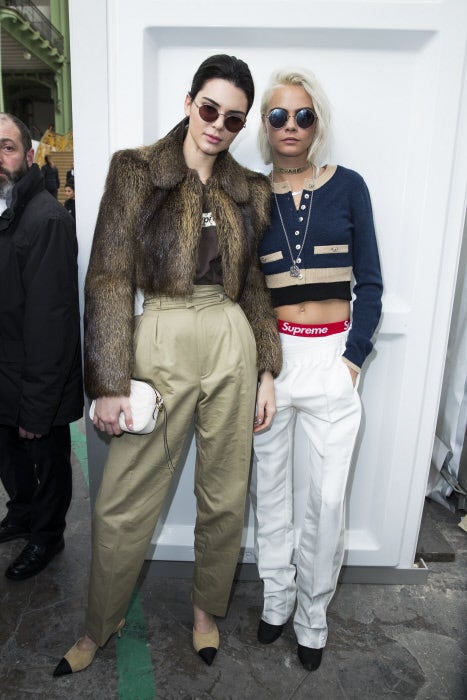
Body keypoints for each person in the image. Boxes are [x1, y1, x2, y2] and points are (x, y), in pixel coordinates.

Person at [54, 54, 281, 677]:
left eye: (233, 119)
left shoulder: (250, 190)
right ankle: (100, 623)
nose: (217, 126)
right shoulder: (136, 171)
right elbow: (106, 276)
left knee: (226, 491)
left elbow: (257, 285)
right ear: (188, 102)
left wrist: (265, 369)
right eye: (209, 109)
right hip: (159, 334)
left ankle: (207, 612)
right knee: (122, 498)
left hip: (231, 335)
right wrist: (106, 382)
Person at [251, 68, 383, 672]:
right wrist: (262, 369)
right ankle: (276, 601)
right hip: (275, 362)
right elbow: (247, 292)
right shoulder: (250, 195)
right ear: (265, 124)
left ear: (317, 123)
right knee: (271, 490)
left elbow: (371, 283)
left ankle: (313, 613)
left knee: (327, 501)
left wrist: (352, 361)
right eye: (279, 115)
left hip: (332, 360)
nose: (291, 126)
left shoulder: (349, 186)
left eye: (303, 115)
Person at [0, 113, 83, 580]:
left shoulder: (46, 219)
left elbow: (53, 323)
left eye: (7, 147)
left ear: (29, 157)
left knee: (47, 463)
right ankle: (23, 513)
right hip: (4, 373)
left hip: (37, 382)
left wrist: (36, 406)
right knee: (10, 462)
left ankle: (47, 536)